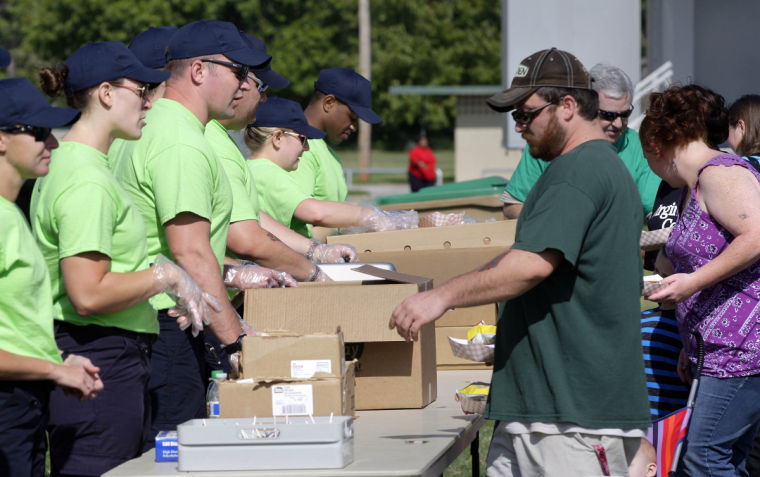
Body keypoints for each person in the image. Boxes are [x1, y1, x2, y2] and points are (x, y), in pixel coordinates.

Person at [389, 47, 650, 476]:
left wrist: (441, 299)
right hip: (547, 413)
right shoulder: (584, 167)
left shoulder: (580, 170)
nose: (518, 125)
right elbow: (523, 255)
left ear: (567, 106)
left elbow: (530, 267)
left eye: (527, 113)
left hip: (570, 420)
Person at [31, 41, 218, 476]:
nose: (151, 101)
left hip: (102, 354)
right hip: (99, 358)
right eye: (142, 90)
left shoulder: (79, 164)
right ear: (106, 93)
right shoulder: (85, 180)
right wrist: (164, 275)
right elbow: (87, 293)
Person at [110, 20, 292, 441]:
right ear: (198, 71)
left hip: (149, 323)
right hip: (168, 324)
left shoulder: (154, 126)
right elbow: (190, 253)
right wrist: (235, 343)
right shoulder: (180, 141)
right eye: (239, 72)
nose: (247, 85)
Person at [642, 84, 760, 476]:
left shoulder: (720, 174)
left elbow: (756, 236)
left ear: (658, 146)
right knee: (726, 457)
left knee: (704, 457)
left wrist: (690, 283)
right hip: (721, 349)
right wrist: (691, 340)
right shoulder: (699, 185)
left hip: (743, 349)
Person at [0, 77, 103, 477]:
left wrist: (57, 359)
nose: (53, 143)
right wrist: (53, 370)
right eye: (40, 133)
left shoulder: (13, 212)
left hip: (23, 406)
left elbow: (13, 326)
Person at [206, 33, 356, 286]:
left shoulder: (222, 140)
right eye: (260, 86)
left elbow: (251, 218)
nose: (262, 98)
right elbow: (248, 237)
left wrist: (314, 251)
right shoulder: (215, 144)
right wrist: (314, 271)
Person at [502, 62, 661, 220]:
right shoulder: (549, 142)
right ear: (586, 107)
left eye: (625, 114)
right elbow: (514, 204)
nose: (618, 124)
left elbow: (656, 211)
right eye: (608, 115)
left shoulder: (637, 145)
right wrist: (552, 229)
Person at [246, 97, 417, 238]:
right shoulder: (267, 173)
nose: (306, 148)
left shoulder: (257, 169)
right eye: (303, 139)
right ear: (277, 138)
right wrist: (370, 217)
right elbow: (315, 212)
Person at [290, 67, 382, 202]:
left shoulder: (326, 151)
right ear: (329, 103)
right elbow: (303, 213)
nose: (353, 127)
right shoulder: (297, 147)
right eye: (352, 117)